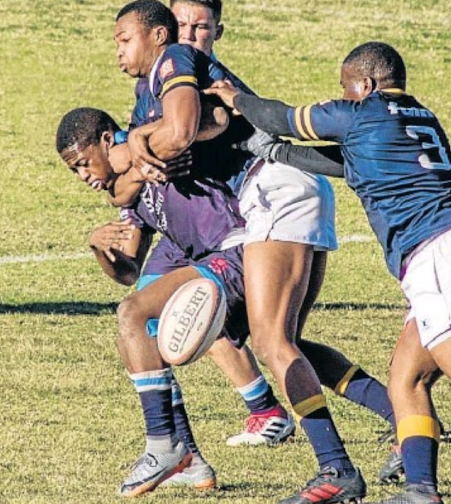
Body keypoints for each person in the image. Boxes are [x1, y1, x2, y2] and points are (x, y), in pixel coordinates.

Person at [205, 41, 451, 504]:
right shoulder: (420, 116)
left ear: (365, 83)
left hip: (437, 254)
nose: (343, 96)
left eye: (345, 89)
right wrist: (279, 154)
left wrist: (235, 99)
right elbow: (347, 163)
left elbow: (284, 116)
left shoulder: (361, 110)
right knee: (406, 380)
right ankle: (420, 491)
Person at [118, 0, 399, 503]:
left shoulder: (191, 70)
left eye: (199, 28)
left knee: (274, 344)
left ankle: (336, 469)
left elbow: (210, 122)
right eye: (182, 26)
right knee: (283, 341)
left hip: (274, 191)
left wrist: (142, 140)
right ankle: (401, 415)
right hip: (286, 193)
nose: (189, 37)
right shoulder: (166, 77)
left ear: (215, 33)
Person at [55, 105, 293, 495]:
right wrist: (99, 248)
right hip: (189, 251)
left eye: (83, 164)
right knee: (143, 324)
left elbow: (195, 126)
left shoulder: (153, 147)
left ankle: (201, 432)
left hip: (236, 243)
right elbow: (128, 271)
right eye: (74, 171)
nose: (83, 176)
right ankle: (188, 457)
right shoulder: (127, 194)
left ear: (105, 140)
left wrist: (142, 154)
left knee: (279, 344)